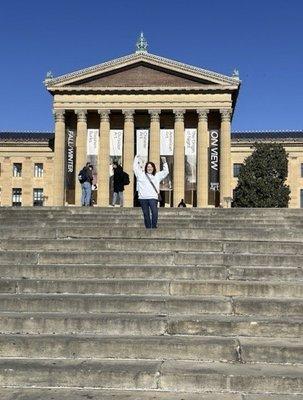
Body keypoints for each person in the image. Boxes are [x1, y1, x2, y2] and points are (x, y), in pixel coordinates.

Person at [133, 155, 169, 228]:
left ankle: (154, 226)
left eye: (151, 167)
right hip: (143, 198)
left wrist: (164, 162)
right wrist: (136, 158)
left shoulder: (157, 175)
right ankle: (148, 228)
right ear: (146, 168)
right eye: (148, 167)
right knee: (146, 214)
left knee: (154, 212)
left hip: (153, 197)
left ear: (153, 168)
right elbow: (135, 168)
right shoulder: (140, 174)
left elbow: (166, 172)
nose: (149, 168)